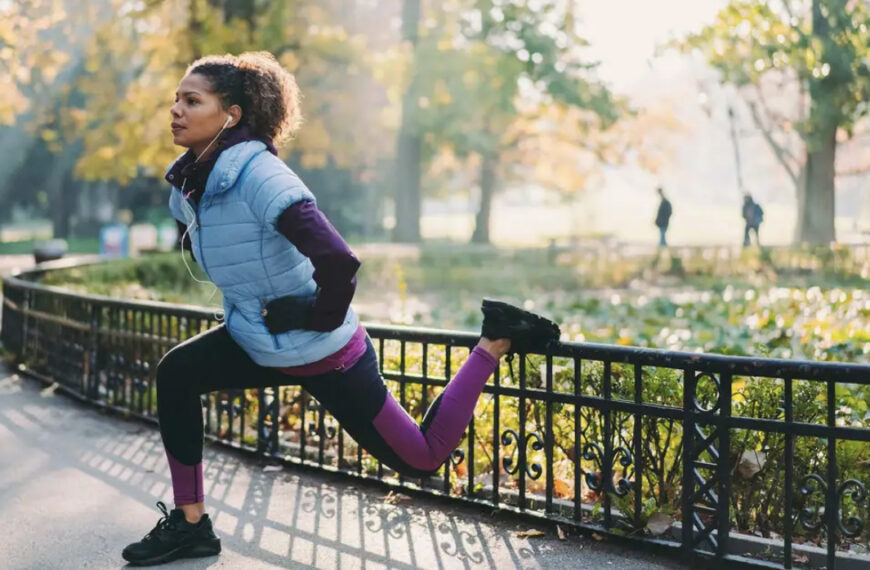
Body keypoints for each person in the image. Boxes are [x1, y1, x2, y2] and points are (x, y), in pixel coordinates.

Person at [121, 52, 561, 566]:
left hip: (326, 352)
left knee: (423, 457)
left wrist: (312, 317)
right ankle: (191, 525)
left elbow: (338, 261)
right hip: (258, 340)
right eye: (175, 99)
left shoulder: (263, 178)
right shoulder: (191, 188)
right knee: (177, 372)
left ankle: (495, 340)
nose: (175, 110)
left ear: (232, 115)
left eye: (191, 100)